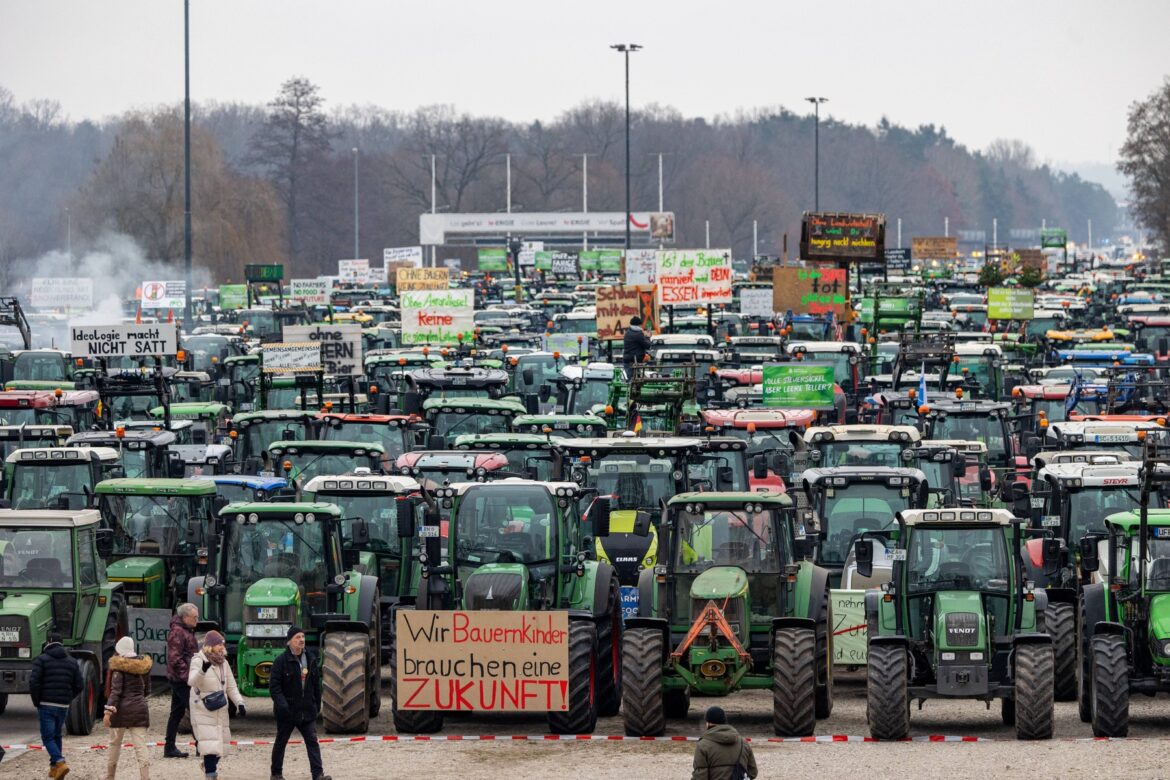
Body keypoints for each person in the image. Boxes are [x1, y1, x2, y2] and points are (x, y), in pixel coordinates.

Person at [269, 627, 331, 780]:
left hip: (306, 710)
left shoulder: (310, 658)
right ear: (289, 641)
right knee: (281, 742)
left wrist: (316, 704)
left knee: (312, 742)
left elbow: (316, 684)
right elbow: (274, 688)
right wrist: (282, 705)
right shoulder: (280, 662)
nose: (302, 640)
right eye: (298, 637)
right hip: (287, 712)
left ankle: (318, 774)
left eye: (303, 636)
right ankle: (276, 774)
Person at [189, 631, 247, 780]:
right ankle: (211, 775)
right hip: (202, 708)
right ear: (210, 646)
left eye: (223, 644)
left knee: (221, 745)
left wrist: (239, 702)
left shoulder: (224, 662)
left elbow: (231, 686)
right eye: (218, 644)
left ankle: (208, 767)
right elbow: (192, 681)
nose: (222, 647)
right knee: (209, 746)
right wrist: (203, 670)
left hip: (220, 706)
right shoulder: (197, 660)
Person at [28, 632, 84, 779]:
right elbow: (79, 685)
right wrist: (68, 698)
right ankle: (55, 770)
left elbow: (34, 683)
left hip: (46, 704)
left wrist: (37, 701)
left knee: (47, 737)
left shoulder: (41, 660)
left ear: (49, 642)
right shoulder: (71, 661)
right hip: (63, 706)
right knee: (57, 735)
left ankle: (59, 762)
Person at [103, 635, 153, 780]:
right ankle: (145, 777)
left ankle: (110, 776)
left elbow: (115, 692)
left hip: (120, 712)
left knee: (114, 745)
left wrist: (108, 712)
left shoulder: (118, 669)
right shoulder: (144, 667)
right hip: (139, 710)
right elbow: (147, 691)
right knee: (141, 746)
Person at [165, 602, 200, 758]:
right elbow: (175, 659)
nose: (197, 620)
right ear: (185, 617)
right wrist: (189, 678)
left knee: (177, 713)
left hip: (181, 678)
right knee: (196, 711)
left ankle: (169, 747)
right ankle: (202, 746)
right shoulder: (178, 632)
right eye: (195, 617)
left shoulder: (185, 630)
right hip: (181, 680)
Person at [691, 706, 757, 780]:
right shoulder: (743, 742)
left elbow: (700, 777)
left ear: (708, 723)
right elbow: (753, 772)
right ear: (725, 721)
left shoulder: (703, 745)